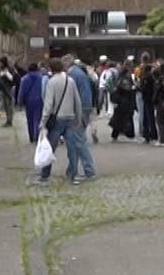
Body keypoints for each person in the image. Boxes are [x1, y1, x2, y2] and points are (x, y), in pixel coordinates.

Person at [38, 57, 92, 185]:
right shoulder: (70, 80)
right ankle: (72, 174)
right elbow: (77, 100)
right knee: (72, 148)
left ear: (51, 68)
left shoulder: (52, 82)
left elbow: (48, 104)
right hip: (71, 117)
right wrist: (78, 117)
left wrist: (43, 121)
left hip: (57, 119)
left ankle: (45, 174)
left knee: (50, 147)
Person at [64, 55, 101, 174]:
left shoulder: (73, 75)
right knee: (75, 140)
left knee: (79, 141)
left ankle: (89, 170)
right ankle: (72, 169)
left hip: (79, 110)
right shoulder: (80, 73)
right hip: (84, 108)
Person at [17, 62, 47, 144]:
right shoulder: (42, 78)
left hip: (29, 101)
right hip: (40, 100)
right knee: (38, 118)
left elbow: (22, 92)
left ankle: (31, 137)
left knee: (30, 119)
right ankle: (37, 136)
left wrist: (19, 102)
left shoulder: (24, 79)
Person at [108, 65, 137, 141]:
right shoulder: (125, 80)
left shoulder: (120, 79)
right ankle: (129, 134)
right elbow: (128, 89)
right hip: (125, 102)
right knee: (126, 118)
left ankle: (116, 134)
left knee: (118, 119)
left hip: (121, 102)